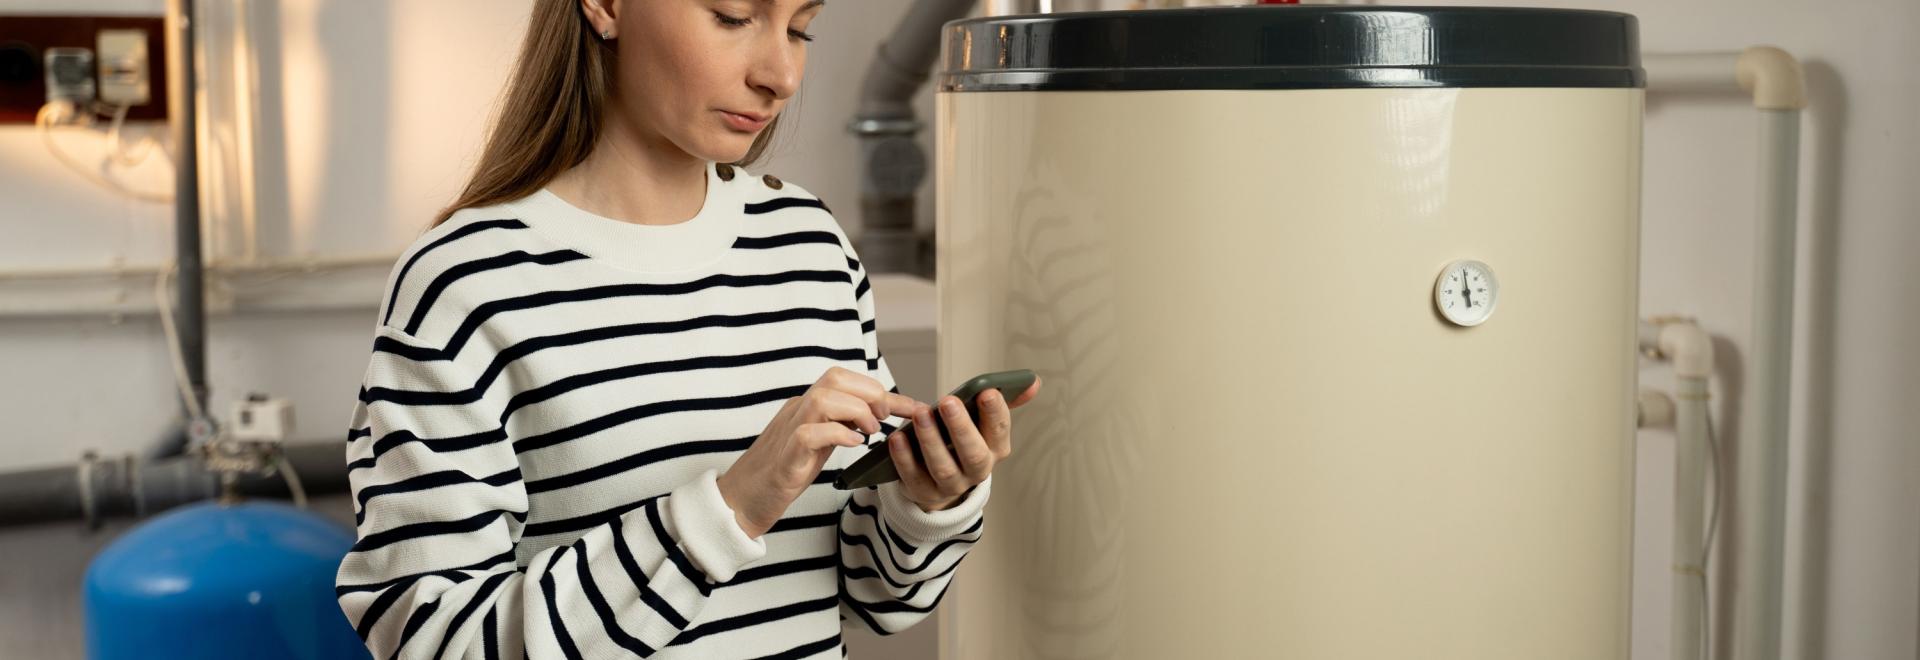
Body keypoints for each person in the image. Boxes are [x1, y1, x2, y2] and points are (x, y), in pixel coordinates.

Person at [333, 1, 1041, 657]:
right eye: (734, 16)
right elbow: (430, 638)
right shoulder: (466, 282)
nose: (782, 75)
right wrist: (726, 510)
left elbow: (877, 599)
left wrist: (927, 501)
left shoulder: (808, 245)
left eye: (801, 27)